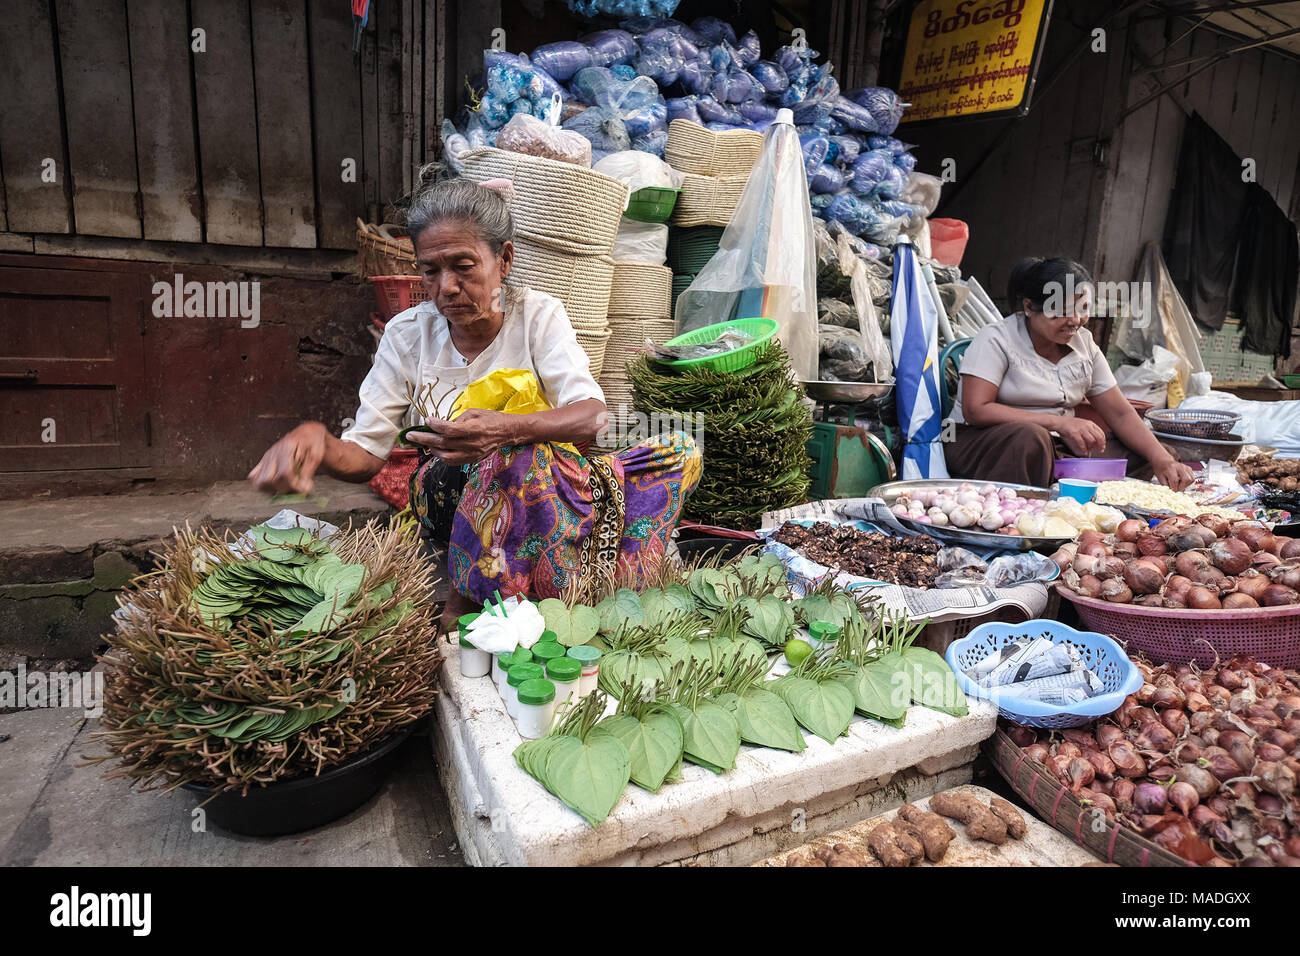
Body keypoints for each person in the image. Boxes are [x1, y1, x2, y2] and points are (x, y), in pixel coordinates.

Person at [248, 171, 702, 629]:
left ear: (503, 260)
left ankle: (572, 566)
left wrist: (507, 428)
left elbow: (593, 416)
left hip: (543, 493)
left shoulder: (537, 316)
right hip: (449, 495)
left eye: (463, 266)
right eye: (430, 270)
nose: (445, 286)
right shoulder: (408, 334)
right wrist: (319, 442)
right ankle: (468, 600)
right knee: (509, 459)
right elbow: (367, 456)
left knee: (680, 450)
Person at [945, 257, 1193, 491]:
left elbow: (1119, 412)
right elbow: (976, 410)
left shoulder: (1084, 343)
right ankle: (1027, 506)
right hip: (985, 444)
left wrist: (1161, 459)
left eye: (1083, 308)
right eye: (1062, 311)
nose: (1075, 320)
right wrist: (1061, 423)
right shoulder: (996, 338)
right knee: (1030, 438)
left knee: (1154, 452)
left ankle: (1058, 484)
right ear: (1029, 307)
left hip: (1056, 447)